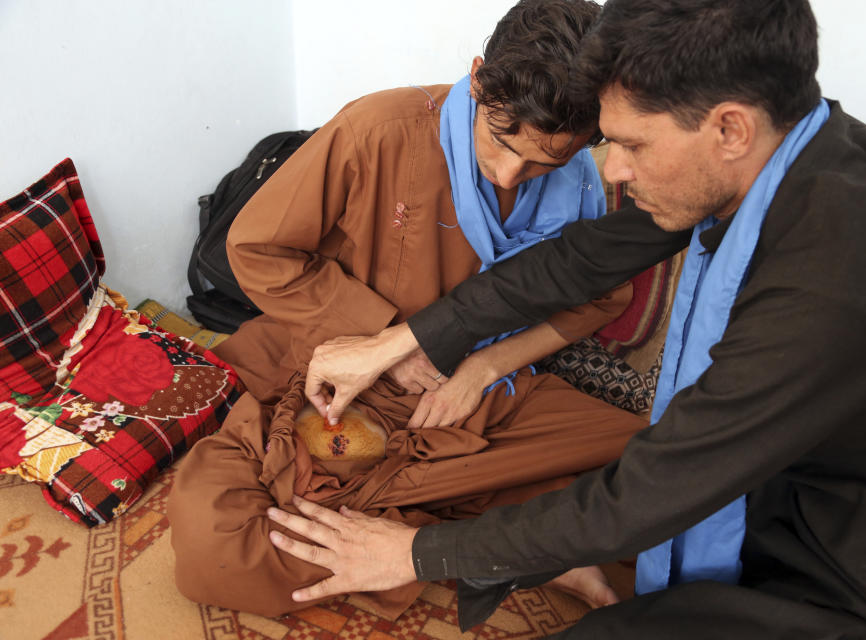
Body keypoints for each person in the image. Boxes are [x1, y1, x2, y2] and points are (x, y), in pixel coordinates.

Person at [269, 0, 866, 638]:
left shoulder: (834, 275)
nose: (617, 172)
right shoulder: (795, 151)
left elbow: (653, 490)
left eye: (631, 145)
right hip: (792, 494)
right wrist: (400, 339)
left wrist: (418, 553)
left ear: (728, 128)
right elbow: (577, 263)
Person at [168, 0, 650, 621]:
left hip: (488, 390)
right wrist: (390, 342)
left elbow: (597, 298)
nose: (509, 175)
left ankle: (461, 539)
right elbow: (256, 250)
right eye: (501, 141)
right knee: (219, 547)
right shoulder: (379, 131)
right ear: (478, 78)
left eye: (543, 162)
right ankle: (521, 542)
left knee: (664, 469)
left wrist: (481, 369)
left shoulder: (582, 178)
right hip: (354, 374)